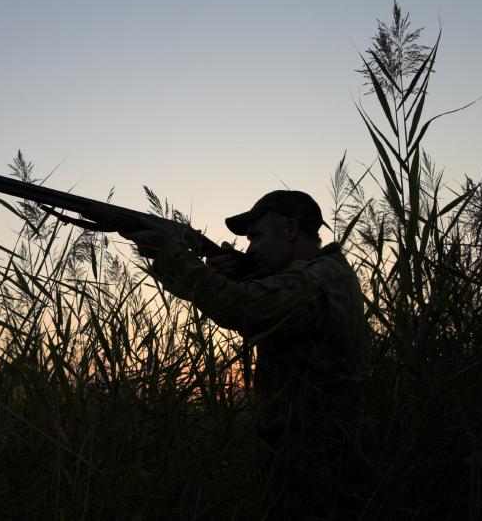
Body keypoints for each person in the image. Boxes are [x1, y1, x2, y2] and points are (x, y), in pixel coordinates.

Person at [121, 190, 370, 514]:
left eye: (256, 236)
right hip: (314, 458)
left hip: (318, 466)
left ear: (291, 229)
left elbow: (246, 308)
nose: (250, 248)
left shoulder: (313, 280)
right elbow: (259, 300)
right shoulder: (324, 272)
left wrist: (172, 256)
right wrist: (235, 274)